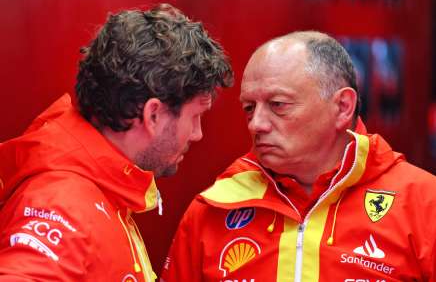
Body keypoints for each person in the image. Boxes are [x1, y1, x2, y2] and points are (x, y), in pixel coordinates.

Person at [160, 31, 436, 282]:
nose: (256, 124)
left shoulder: (423, 203)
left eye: (277, 105)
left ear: (342, 107)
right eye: (249, 108)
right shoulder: (213, 208)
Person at [0, 3, 233, 281]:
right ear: (153, 114)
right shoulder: (61, 203)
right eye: (195, 116)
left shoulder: (102, 186)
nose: (197, 133)